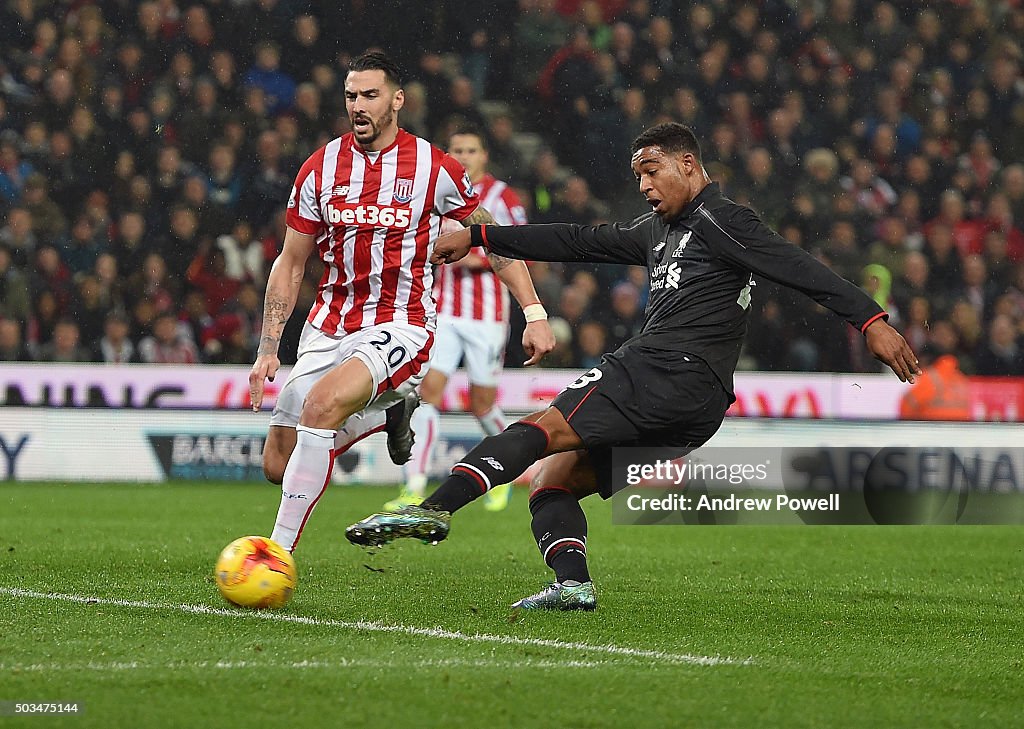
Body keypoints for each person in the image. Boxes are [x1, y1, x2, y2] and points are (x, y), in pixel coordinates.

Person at [346, 122, 920, 610]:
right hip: (696, 408)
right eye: (638, 176)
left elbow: (800, 267)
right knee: (554, 480)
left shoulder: (724, 220)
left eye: (653, 171)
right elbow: (577, 240)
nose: (644, 186)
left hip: (666, 367)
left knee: (543, 429)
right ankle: (572, 586)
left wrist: (870, 320)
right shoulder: (659, 230)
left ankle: (432, 511)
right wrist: (478, 234)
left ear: (689, 164)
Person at [249, 52, 552, 553]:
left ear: (397, 100)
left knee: (322, 406)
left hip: (402, 323)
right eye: (351, 96)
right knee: (277, 465)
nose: (359, 106)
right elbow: (290, 262)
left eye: (370, 95)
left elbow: (494, 239)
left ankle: (273, 556)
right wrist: (267, 347)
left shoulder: (436, 167)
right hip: (328, 324)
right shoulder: (320, 168)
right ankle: (387, 412)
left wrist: (534, 312)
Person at [385, 127, 554, 513]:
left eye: (471, 150)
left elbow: (513, 247)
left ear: (484, 156)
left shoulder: (502, 197)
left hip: (487, 316)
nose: (463, 156)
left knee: (481, 404)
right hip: (443, 311)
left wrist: (463, 252)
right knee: (426, 395)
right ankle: (414, 485)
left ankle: (503, 474)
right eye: (456, 149)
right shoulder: (438, 193)